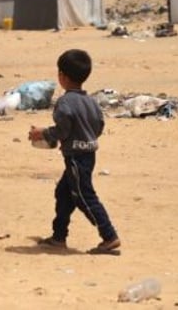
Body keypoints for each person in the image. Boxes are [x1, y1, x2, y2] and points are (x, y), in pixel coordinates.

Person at [28, 49, 120, 253]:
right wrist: (86, 137)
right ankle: (59, 236)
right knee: (63, 193)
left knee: (84, 196)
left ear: (62, 76)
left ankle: (109, 235)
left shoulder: (65, 102)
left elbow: (62, 130)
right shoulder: (91, 102)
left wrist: (43, 133)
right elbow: (99, 127)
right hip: (88, 154)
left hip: (76, 158)